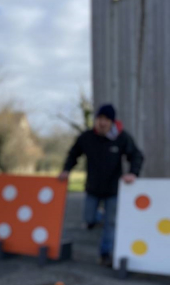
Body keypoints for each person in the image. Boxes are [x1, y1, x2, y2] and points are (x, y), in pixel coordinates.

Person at [59, 104, 143, 266]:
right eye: (100, 119)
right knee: (89, 219)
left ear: (112, 121)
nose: (102, 123)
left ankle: (105, 255)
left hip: (113, 190)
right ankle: (101, 217)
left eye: (106, 119)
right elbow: (73, 154)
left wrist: (133, 173)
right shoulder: (87, 137)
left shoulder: (121, 137)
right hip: (93, 188)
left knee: (110, 224)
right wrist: (66, 170)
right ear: (96, 120)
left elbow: (136, 155)